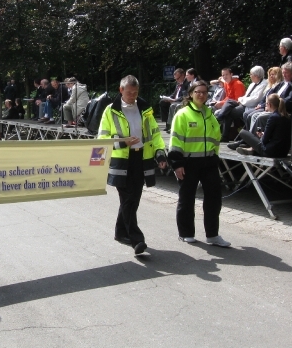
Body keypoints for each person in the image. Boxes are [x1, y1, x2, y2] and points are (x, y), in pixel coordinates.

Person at [98, 75, 167, 255]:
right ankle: (136, 239)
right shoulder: (110, 110)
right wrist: (123, 142)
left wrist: (160, 152)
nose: (133, 96)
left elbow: (155, 134)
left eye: (135, 93)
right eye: (129, 93)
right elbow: (102, 139)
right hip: (121, 160)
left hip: (141, 159)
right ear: (121, 90)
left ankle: (121, 232)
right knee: (128, 198)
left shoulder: (145, 109)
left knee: (133, 199)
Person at [168, 80, 231, 247]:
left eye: (204, 92)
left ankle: (212, 235)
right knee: (187, 199)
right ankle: (186, 233)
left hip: (209, 163)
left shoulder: (210, 115)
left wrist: (214, 158)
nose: (201, 95)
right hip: (188, 163)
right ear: (190, 94)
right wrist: (177, 163)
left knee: (214, 199)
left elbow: (216, 139)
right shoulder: (182, 114)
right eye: (198, 92)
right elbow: (175, 141)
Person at [217, 66, 267, 142]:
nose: (250, 76)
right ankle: (221, 120)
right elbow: (246, 96)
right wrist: (241, 99)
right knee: (229, 103)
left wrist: (241, 100)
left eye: (251, 74)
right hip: (243, 103)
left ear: (256, 75)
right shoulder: (252, 84)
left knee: (229, 111)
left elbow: (255, 99)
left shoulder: (263, 85)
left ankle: (223, 130)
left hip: (250, 106)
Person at [213, 67, 246, 142]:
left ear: (231, 74)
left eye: (226, 74)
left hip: (239, 104)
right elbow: (228, 97)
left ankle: (219, 117)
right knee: (227, 113)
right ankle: (225, 137)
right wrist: (220, 102)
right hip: (229, 105)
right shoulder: (226, 84)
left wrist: (223, 103)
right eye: (223, 75)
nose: (224, 77)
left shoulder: (238, 84)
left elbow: (238, 99)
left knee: (229, 103)